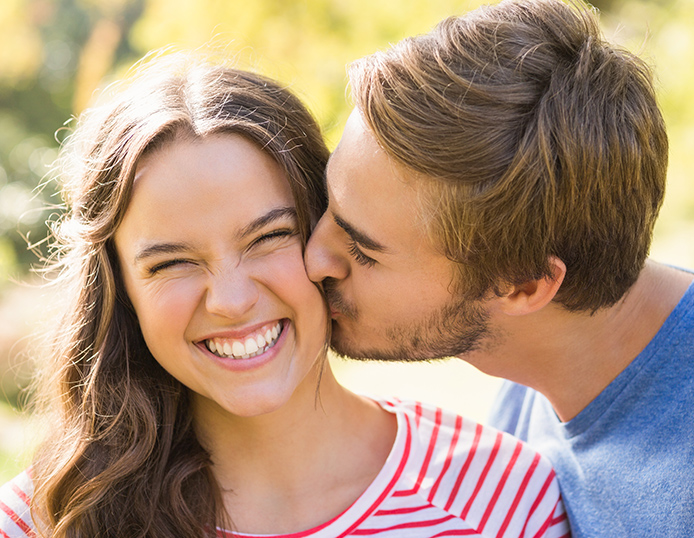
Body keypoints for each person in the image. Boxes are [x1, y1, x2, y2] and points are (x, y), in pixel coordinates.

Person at [303, 0, 694, 536]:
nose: (312, 257)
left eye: (362, 251)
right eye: (329, 205)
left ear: (525, 285)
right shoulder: (535, 370)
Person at [0, 52, 570, 538]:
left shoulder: (503, 499)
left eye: (269, 237)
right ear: (121, 290)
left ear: (329, 234)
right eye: (172, 262)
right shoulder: (43, 519)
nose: (230, 299)